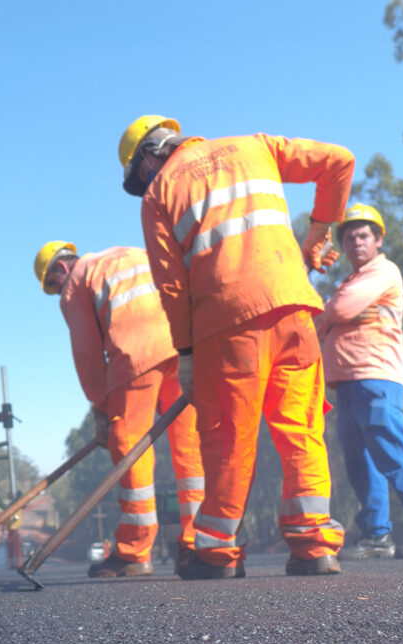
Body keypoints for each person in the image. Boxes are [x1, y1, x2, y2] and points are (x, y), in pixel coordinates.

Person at [119, 114, 352, 578]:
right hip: (294, 308)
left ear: (149, 156)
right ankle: (313, 545)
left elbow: (171, 286)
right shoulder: (255, 145)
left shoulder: (157, 194)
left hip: (226, 322)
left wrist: (185, 355)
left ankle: (216, 550)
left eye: (138, 173)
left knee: (229, 437)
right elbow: (339, 161)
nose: (143, 180)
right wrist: (319, 231)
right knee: (301, 429)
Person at [34, 241, 205, 577]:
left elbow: (87, 353)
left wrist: (101, 408)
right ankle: (198, 544)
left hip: (134, 355)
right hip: (182, 346)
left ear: (60, 269)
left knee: (130, 446)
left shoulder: (76, 281)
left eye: (53, 286)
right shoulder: (129, 253)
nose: (57, 293)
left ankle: (134, 551)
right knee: (190, 448)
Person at [315, 203, 403, 559]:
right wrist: (332, 313)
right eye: (348, 238)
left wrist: (329, 312)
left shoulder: (384, 271)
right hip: (346, 382)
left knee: (392, 450)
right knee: (360, 459)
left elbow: (339, 311)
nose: (355, 243)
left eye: (363, 236)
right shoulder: (351, 283)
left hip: (377, 375)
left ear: (377, 240)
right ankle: (376, 536)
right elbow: (332, 315)